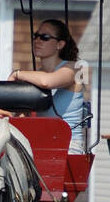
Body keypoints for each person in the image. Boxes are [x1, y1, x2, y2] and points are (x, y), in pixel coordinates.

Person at [8, 19, 88, 152]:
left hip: (69, 145)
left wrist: (16, 74)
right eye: (36, 36)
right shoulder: (36, 76)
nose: (37, 41)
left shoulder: (75, 68)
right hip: (41, 144)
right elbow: (22, 116)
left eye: (44, 37)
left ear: (60, 44)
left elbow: (47, 82)